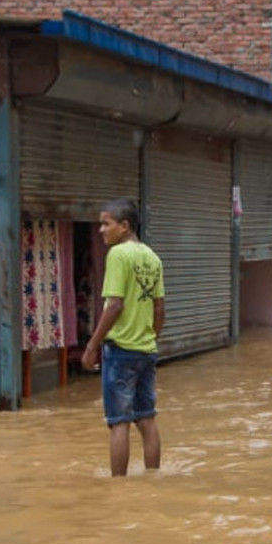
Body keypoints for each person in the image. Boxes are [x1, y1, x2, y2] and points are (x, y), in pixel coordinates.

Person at [81, 197, 166, 476]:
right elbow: (159, 307)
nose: (101, 230)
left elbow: (114, 305)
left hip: (119, 351)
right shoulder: (153, 257)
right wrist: (150, 338)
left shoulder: (118, 255)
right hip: (146, 349)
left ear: (124, 226)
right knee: (147, 420)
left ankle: (118, 489)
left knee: (119, 423)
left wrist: (92, 345)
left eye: (106, 223)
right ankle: (152, 478)